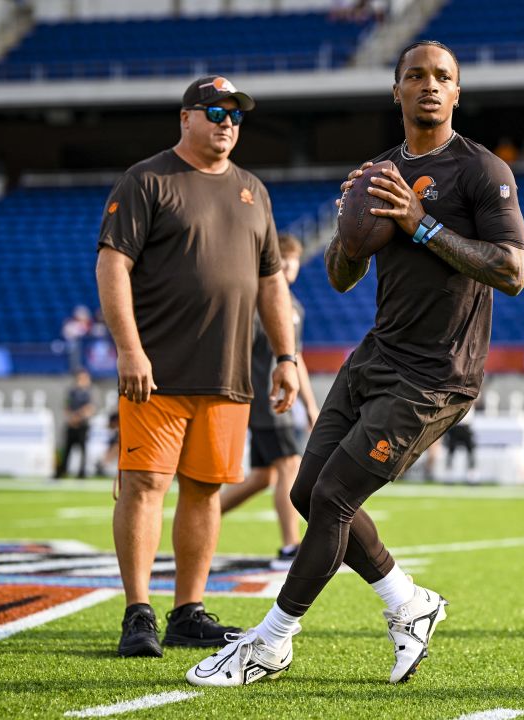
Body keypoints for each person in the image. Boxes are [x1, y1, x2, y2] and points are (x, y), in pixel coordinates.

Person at [187, 40, 524, 687]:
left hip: (438, 374)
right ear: (395, 90)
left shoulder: (481, 170)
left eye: (443, 77)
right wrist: (348, 235)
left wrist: (420, 223)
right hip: (375, 356)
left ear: (457, 92)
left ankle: (271, 641)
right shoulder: (377, 170)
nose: (429, 86)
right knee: (308, 494)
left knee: (337, 495)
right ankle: (408, 602)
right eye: (416, 76)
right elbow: (343, 276)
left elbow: (513, 271)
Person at [96, 74, 299, 658]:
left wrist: (286, 357)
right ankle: (139, 613)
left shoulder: (253, 191)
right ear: (185, 117)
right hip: (155, 371)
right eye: (215, 110)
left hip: (228, 374)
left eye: (236, 114)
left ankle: (188, 611)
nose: (227, 122)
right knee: (144, 486)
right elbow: (113, 267)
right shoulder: (148, 179)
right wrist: (129, 348)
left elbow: (271, 283)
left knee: (205, 491)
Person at [219, 234, 320, 570]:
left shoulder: (296, 307)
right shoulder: (255, 299)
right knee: (289, 465)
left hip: (282, 398)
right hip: (264, 396)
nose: (292, 264)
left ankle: (204, 515)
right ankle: (290, 547)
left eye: (294, 258)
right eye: (285, 257)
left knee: (264, 476)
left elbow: (296, 359)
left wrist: (310, 405)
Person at [53, 370, 96, 479]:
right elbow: (66, 407)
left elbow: (90, 408)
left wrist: (78, 416)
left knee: (83, 449)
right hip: (71, 424)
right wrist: (71, 418)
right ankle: (62, 470)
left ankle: (82, 472)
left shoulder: (90, 393)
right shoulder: (72, 392)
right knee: (67, 448)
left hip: (83, 425)